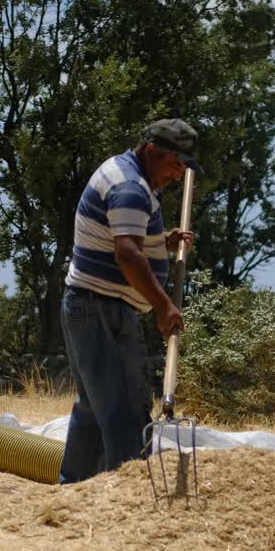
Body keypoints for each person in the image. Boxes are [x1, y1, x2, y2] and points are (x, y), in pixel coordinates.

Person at [59, 119, 199, 483]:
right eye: (174, 163)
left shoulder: (128, 176)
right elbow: (127, 255)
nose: (177, 173)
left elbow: (126, 239)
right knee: (125, 413)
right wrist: (163, 305)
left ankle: (73, 492)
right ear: (152, 151)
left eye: (183, 167)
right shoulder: (130, 188)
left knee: (94, 410)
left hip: (91, 306)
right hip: (101, 310)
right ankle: (127, 499)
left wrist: (161, 241)